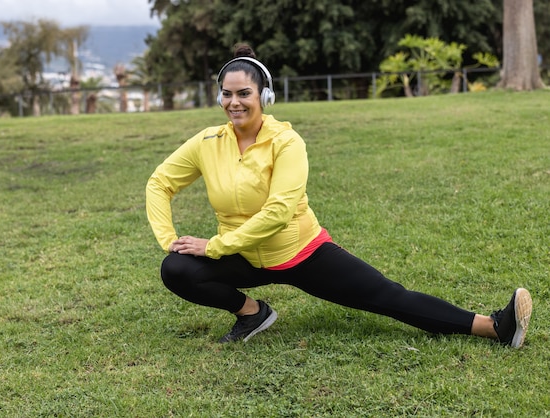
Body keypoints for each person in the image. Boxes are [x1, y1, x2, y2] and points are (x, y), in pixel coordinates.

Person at [145, 44, 533, 347]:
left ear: (265, 96)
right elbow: (159, 183)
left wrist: (215, 246)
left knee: (387, 295)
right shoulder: (207, 142)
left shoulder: (287, 142)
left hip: (301, 253)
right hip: (243, 255)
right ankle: (252, 314)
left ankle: (495, 327)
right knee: (176, 269)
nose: (234, 103)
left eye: (244, 93)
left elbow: (279, 212)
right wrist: (171, 241)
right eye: (226, 94)